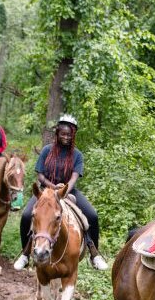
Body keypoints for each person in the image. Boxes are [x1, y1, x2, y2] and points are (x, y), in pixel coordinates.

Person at [13, 114, 108, 271]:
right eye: (63, 134)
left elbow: (74, 178)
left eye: (69, 134)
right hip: (45, 192)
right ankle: (25, 254)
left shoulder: (77, 155)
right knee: (25, 216)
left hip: (68, 191)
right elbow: (40, 176)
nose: (66, 137)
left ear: (73, 135)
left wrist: (62, 191)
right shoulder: (46, 151)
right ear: (57, 133)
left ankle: (94, 253)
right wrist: (53, 187)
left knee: (92, 216)